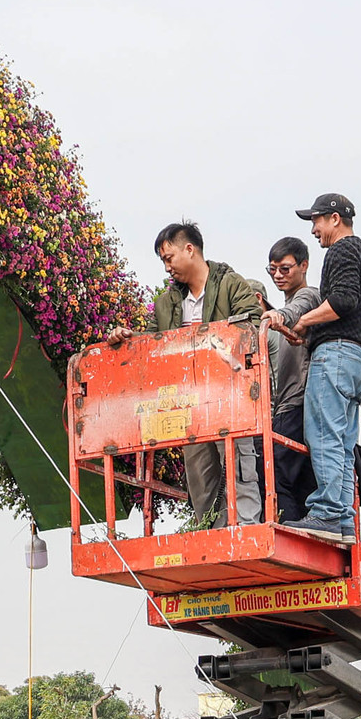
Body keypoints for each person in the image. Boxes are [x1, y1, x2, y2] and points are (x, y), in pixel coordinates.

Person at [109, 222, 263, 527]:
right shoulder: (167, 303)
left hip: (230, 397)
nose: (167, 267)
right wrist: (127, 338)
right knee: (199, 472)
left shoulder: (232, 284)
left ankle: (245, 527)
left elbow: (253, 325)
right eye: (163, 261)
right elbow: (151, 343)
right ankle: (209, 530)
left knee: (238, 464)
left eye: (169, 258)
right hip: (190, 403)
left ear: (190, 249)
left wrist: (211, 344)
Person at [279, 194, 361, 543]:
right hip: (358, 361)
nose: (313, 230)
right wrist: (356, 336)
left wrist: (304, 324)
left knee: (324, 437)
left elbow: (342, 300)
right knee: (342, 444)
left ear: (335, 219)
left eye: (316, 221)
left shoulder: (342, 251)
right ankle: (342, 520)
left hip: (336, 358)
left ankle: (327, 514)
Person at [256, 236, 321, 522]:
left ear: (303, 265)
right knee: (302, 477)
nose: (278, 276)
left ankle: (285, 529)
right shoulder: (287, 306)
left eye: (285, 268)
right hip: (290, 403)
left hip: (296, 402)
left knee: (273, 468)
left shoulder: (308, 298)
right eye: (272, 270)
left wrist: (279, 315)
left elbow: (299, 306)